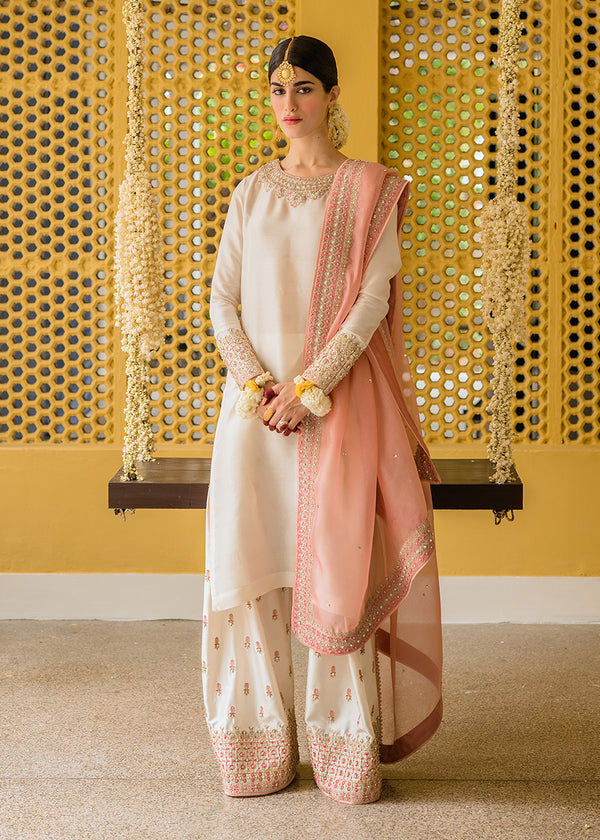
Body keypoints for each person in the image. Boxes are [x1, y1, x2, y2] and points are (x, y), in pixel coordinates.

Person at [202, 35, 442, 805]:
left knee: (334, 575)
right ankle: (257, 751)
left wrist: (309, 388)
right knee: (253, 570)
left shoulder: (368, 189)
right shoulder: (251, 192)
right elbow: (222, 299)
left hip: (332, 412)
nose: (289, 103)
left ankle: (344, 752)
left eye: (303, 88)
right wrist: (257, 383)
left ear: (332, 95)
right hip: (254, 417)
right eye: (277, 89)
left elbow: (372, 300)